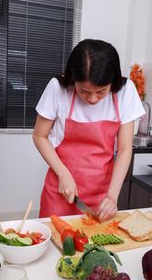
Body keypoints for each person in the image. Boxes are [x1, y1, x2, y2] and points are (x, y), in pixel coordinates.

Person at [33, 39, 145, 221]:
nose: (92, 99)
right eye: (83, 91)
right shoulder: (58, 88)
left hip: (102, 193)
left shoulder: (125, 91)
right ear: (73, 79)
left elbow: (124, 149)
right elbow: (39, 136)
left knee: (96, 247)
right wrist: (63, 174)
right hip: (61, 188)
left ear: (112, 81)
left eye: (101, 91)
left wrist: (112, 197)